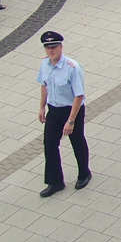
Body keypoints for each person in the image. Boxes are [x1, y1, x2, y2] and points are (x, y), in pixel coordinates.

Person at [37, 31, 91, 197]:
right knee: (50, 144)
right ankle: (55, 181)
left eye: (54, 47)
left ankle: (84, 173)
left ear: (61, 47)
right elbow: (44, 85)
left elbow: (78, 95)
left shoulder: (72, 67)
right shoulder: (45, 64)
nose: (50, 50)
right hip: (54, 110)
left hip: (71, 110)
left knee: (77, 141)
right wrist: (41, 107)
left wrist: (71, 121)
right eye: (47, 48)